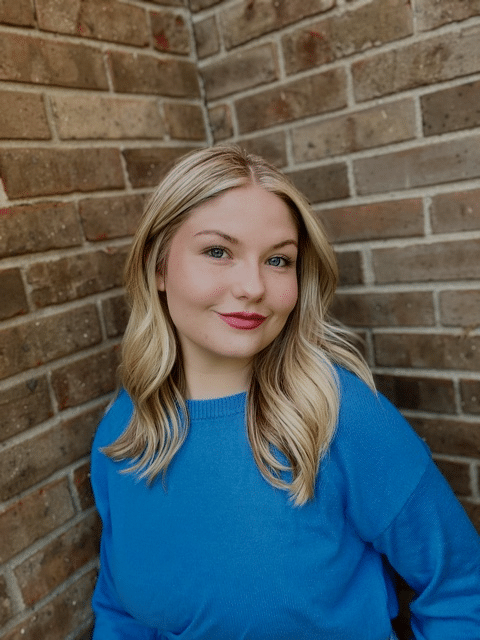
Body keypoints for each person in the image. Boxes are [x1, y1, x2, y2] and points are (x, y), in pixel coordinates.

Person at [90, 145, 480, 640]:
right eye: (218, 251)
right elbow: (120, 611)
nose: (253, 286)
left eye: (278, 260)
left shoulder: (341, 416)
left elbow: (461, 587)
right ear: (158, 266)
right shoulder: (123, 431)